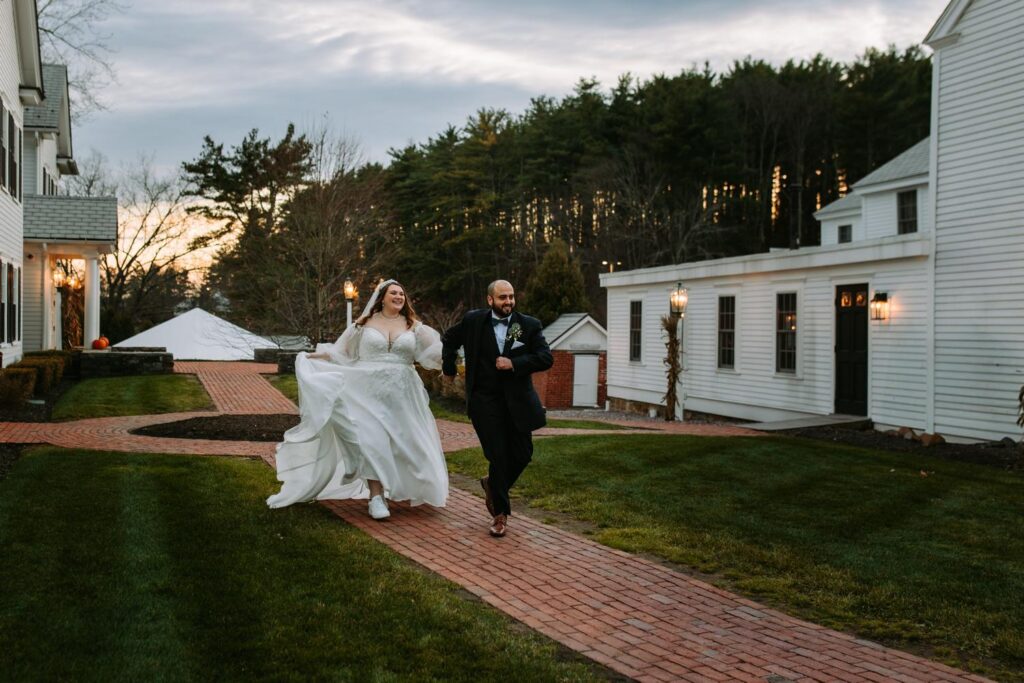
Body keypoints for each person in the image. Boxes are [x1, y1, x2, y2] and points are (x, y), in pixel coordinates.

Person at [267, 279, 448, 519]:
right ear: (381, 297)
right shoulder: (363, 325)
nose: (398, 297)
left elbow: (435, 352)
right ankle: (376, 497)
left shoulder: (414, 326)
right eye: (393, 293)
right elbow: (342, 352)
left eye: (402, 294)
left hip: (403, 395)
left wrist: (457, 355)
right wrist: (315, 356)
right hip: (366, 391)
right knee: (372, 441)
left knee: (408, 444)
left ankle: (407, 485)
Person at [441, 280, 553, 537]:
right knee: (498, 456)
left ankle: (492, 484)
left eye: (511, 297)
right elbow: (450, 338)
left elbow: (546, 357)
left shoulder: (528, 325)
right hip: (484, 402)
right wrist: (449, 368)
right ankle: (500, 515)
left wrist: (514, 363)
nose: (509, 302)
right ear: (490, 300)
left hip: (518, 403)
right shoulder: (473, 321)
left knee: (523, 454)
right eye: (503, 297)